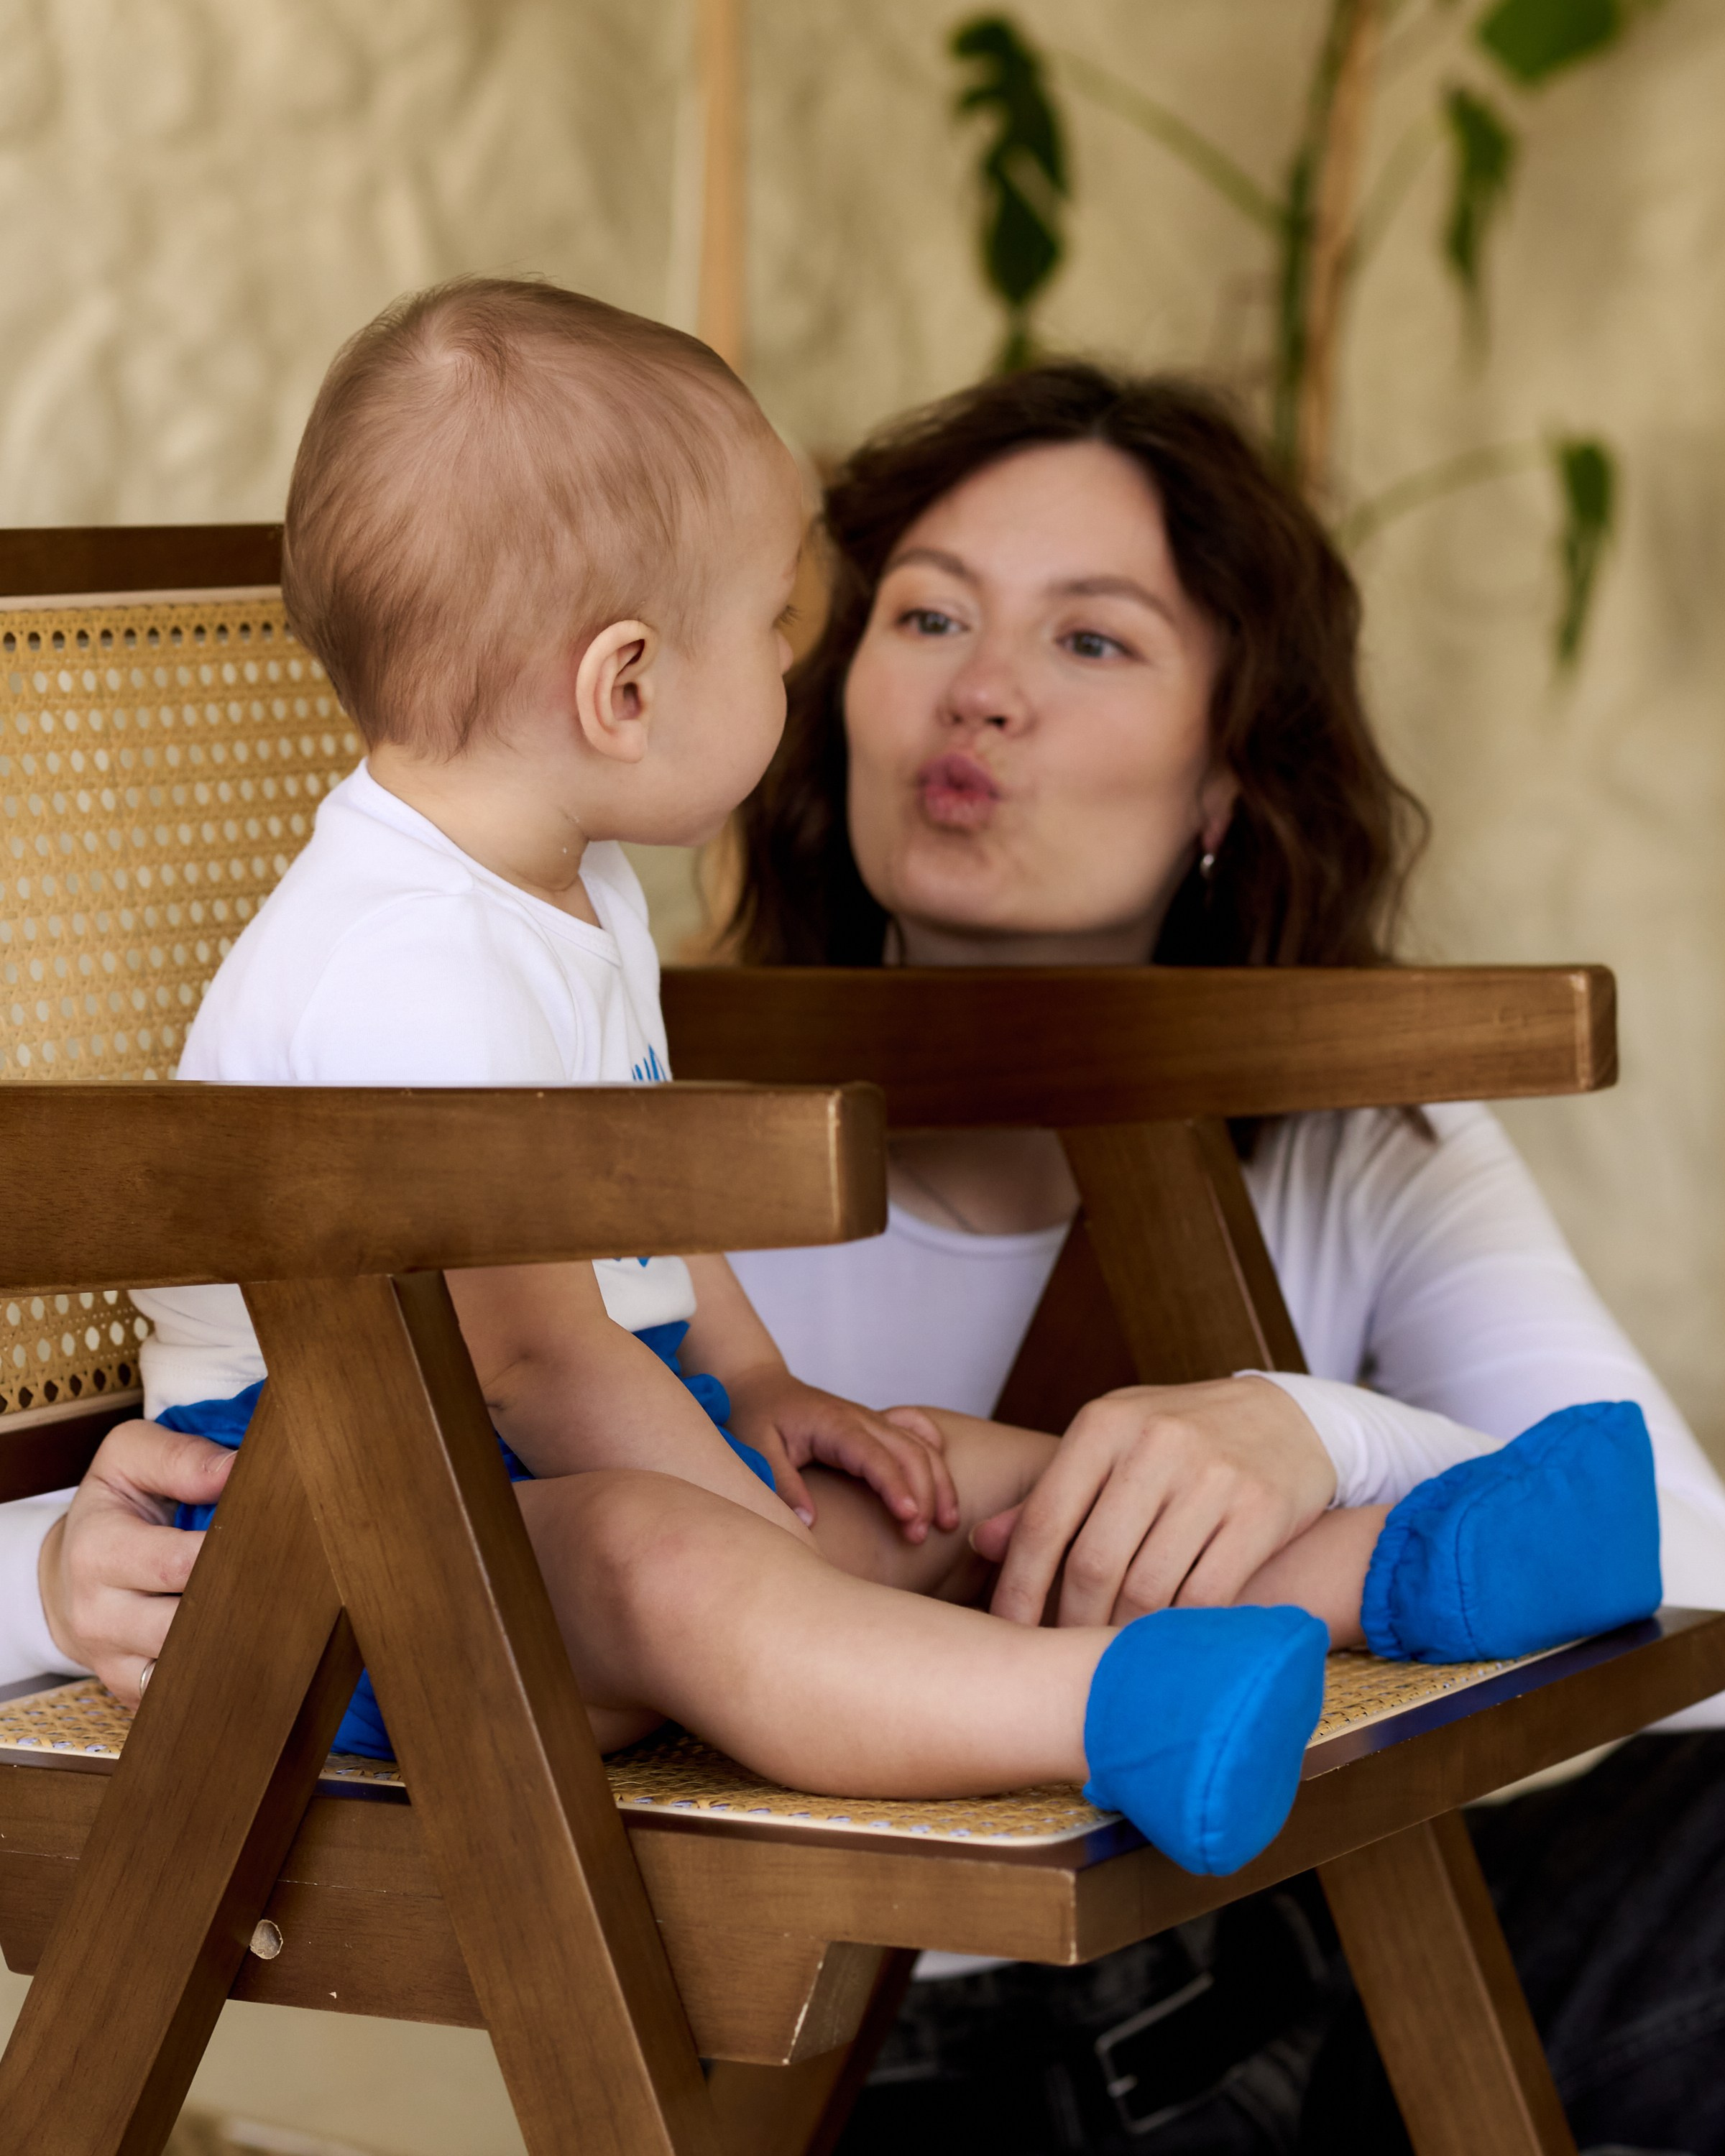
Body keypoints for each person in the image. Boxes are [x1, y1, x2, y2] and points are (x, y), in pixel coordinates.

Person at [40, 276, 1645, 1885]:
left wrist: (765, 1397)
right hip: (356, 1545)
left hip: (537, 1467)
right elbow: (529, 1362)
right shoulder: (403, 966)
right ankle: (1109, 1711)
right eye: (777, 631)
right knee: (678, 1562)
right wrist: (758, 1525)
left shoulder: (561, 887)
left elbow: (641, 1203)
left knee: (959, 1467)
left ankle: (1407, 1567)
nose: (796, 675)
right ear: (626, 688)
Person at [706, 362, 1725, 2152]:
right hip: (879, 2058)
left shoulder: (1356, 1138)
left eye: (1092, 642)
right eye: (928, 613)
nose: (984, 690)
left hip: (1318, 1972)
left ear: (1225, 783)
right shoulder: (646, 1127)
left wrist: (1308, 1434)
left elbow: (1693, 1570)